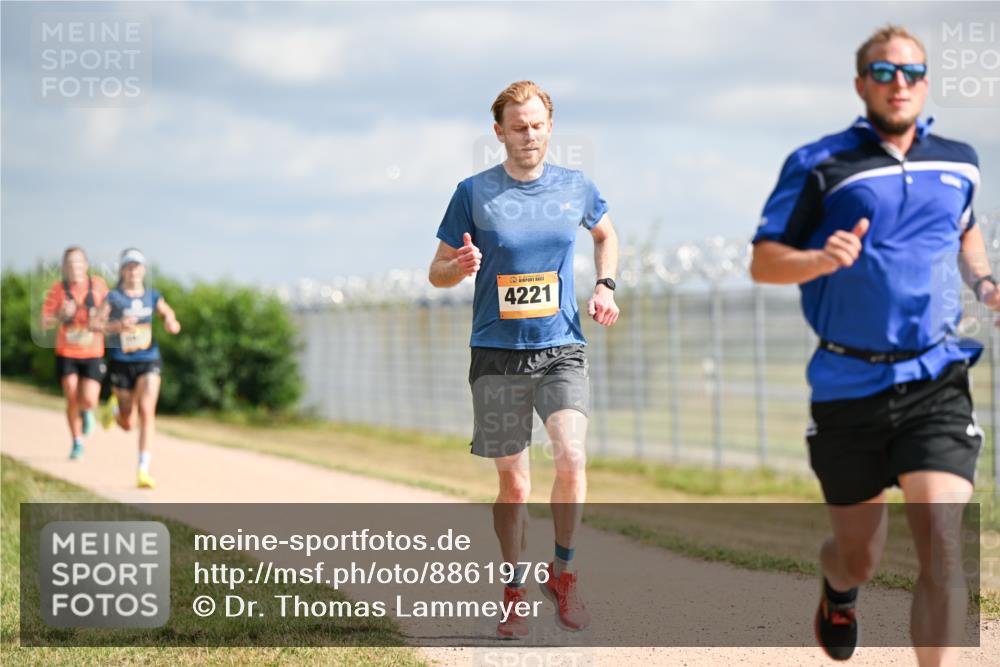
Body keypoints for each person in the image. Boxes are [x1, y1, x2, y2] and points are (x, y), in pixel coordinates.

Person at [750, 25, 986, 666]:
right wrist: (819, 259)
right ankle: (840, 588)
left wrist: (985, 281)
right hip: (848, 383)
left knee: (942, 543)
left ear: (926, 81)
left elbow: (964, 230)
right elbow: (764, 263)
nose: (899, 84)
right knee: (860, 553)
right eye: (884, 73)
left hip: (936, 376)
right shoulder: (819, 164)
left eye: (911, 72)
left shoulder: (960, 158)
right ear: (861, 85)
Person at [429, 80, 620, 639]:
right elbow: (435, 272)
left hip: (561, 347)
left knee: (571, 454)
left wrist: (605, 284)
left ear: (550, 127)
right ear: (499, 132)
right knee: (514, 485)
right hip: (496, 353)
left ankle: (563, 573)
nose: (529, 135)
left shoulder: (576, 187)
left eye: (537, 125)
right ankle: (514, 588)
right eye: (518, 127)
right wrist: (458, 266)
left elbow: (606, 235)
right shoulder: (472, 192)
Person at [97, 248, 181, 489]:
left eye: (137, 266)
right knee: (127, 422)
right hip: (121, 363)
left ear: (143, 270)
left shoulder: (153, 296)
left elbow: (166, 311)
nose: (133, 271)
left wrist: (170, 321)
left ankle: (143, 470)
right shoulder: (113, 298)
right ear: (123, 270)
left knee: (146, 409)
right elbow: (95, 324)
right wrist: (116, 325)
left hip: (148, 359)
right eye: (129, 266)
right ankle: (114, 412)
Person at [40, 246, 109, 460]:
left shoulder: (98, 285)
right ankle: (77, 442)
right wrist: (60, 314)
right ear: (64, 267)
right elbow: (43, 323)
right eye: (69, 263)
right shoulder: (57, 290)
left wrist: (97, 317)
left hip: (92, 352)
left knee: (88, 399)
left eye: (78, 262)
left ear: (86, 266)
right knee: (71, 393)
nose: (74, 267)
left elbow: (110, 312)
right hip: (67, 351)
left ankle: (87, 412)